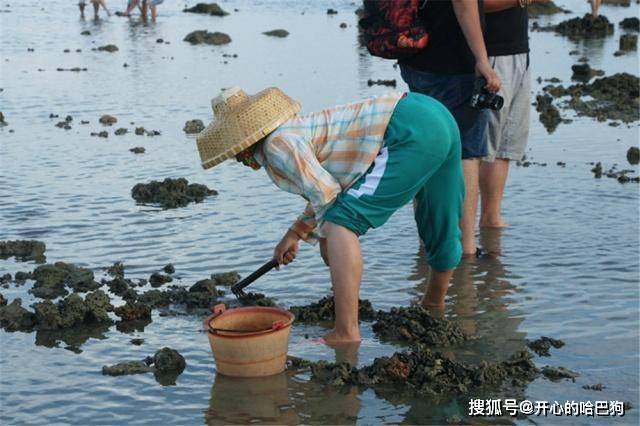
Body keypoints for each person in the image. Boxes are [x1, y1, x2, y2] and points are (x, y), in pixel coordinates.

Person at [196, 87, 465, 345]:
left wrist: (327, 238)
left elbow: (327, 195)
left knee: (340, 223)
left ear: (243, 145)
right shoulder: (294, 130)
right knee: (439, 219)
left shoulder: (276, 146)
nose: (239, 160)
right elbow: (323, 190)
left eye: (235, 154)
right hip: (430, 112)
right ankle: (433, 304)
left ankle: (346, 331)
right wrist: (295, 234)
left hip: (408, 132)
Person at [398, 0, 500, 257]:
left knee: (425, 150)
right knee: (466, 153)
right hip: (453, 63)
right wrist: (482, 60)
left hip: (415, 56)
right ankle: (464, 248)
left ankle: (428, 244)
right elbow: (464, 4)